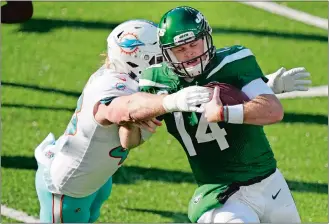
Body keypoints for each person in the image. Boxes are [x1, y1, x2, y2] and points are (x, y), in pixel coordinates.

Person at [138, 6, 311, 223]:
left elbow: (273, 111)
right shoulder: (156, 81)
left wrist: (224, 111)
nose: (190, 52)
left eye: (194, 44)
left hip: (270, 182)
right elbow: (130, 136)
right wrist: (168, 103)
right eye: (180, 49)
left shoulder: (233, 61)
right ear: (166, 52)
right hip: (220, 193)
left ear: (207, 38)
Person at [34, 19, 212, 223]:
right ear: (138, 58)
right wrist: (168, 102)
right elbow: (117, 110)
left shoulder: (131, 84)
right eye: (159, 57)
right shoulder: (111, 84)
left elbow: (128, 141)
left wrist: (132, 122)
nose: (166, 62)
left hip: (97, 177)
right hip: (69, 184)